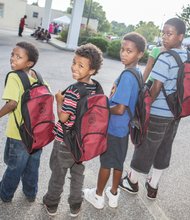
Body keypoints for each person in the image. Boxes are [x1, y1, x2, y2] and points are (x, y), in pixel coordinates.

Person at [119, 17, 187, 200]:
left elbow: (155, 88)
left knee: (146, 146)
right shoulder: (185, 55)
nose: (165, 37)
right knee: (164, 148)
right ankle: (153, 186)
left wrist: (142, 107)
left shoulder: (165, 57)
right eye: (163, 33)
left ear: (180, 36)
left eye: (170, 34)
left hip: (158, 113)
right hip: (175, 113)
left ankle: (131, 181)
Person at [83, 32, 146, 209]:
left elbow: (119, 108)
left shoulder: (127, 76)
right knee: (118, 163)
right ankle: (113, 194)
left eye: (130, 51)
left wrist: (100, 108)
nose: (124, 54)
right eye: (122, 49)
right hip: (124, 129)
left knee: (106, 163)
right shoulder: (136, 72)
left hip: (114, 128)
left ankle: (97, 197)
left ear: (140, 54)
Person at [42, 43, 103, 217]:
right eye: (74, 62)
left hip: (65, 142)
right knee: (77, 174)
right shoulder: (96, 88)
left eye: (80, 65)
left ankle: (51, 203)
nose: (74, 67)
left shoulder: (73, 91)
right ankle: (75, 205)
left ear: (91, 70)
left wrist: (59, 100)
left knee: (58, 174)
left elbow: (63, 118)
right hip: (83, 142)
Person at [0, 41, 42, 202]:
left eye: (19, 57)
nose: (13, 59)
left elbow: (12, 103)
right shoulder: (37, 76)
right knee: (32, 165)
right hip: (37, 132)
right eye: (13, 55)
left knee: (14, 166)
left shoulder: (14, 77)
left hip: (19, 132)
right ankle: (30, 193)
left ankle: (5, 194)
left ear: (29, 62)